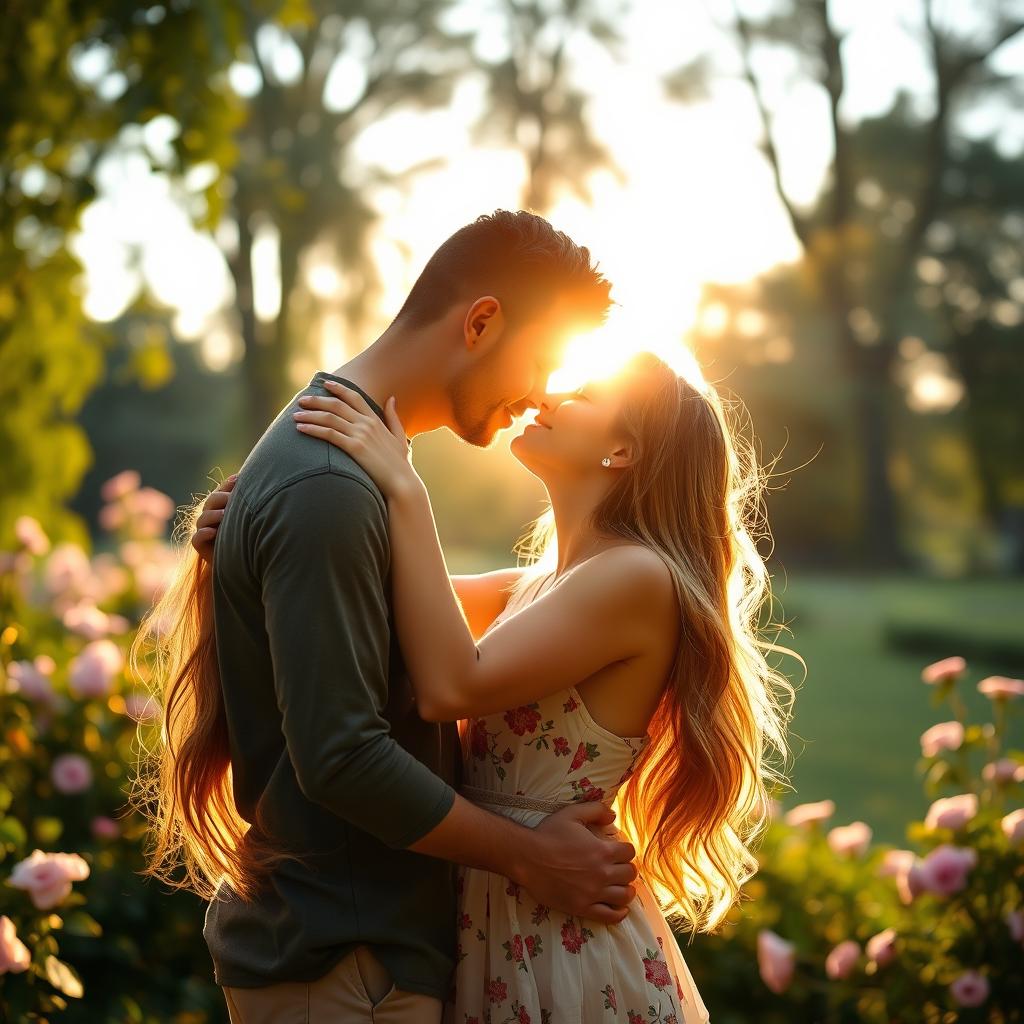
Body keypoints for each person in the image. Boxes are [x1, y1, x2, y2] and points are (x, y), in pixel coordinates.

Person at [133, 210, 642, 1024]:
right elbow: (340, 757)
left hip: (353, 953)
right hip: (344, 964)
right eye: (544, 360)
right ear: (480, 323)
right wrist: (530, 858)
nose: (541, 394)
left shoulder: (348, 461)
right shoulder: (332, 484)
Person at [197, 350, 795, 1022]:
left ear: (622, 450)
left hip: (559, 948)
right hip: (495, 916)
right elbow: (370, 601)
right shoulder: (538, 586)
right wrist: (260, 537)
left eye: (583, 394)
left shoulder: (636, 578)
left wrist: (405, 487)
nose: (546, 397)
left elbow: (451, 687)